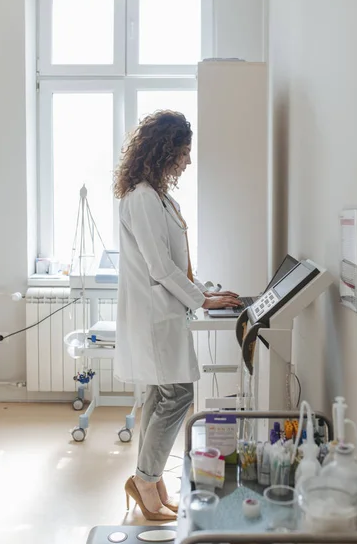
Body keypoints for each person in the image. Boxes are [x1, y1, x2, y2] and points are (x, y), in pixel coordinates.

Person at [113, 110, 241, 521]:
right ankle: (146, 480)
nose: (187, 161)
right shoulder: (142, 199)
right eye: (184, 152)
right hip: (154, 316)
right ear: (164, 150)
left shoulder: (159, 197)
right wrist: (202, 301)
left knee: (160, 394)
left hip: (163, 313)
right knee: (178, 394)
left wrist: (204, 291)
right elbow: (159, 267)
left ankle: (148, 480)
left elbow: (176, 264)